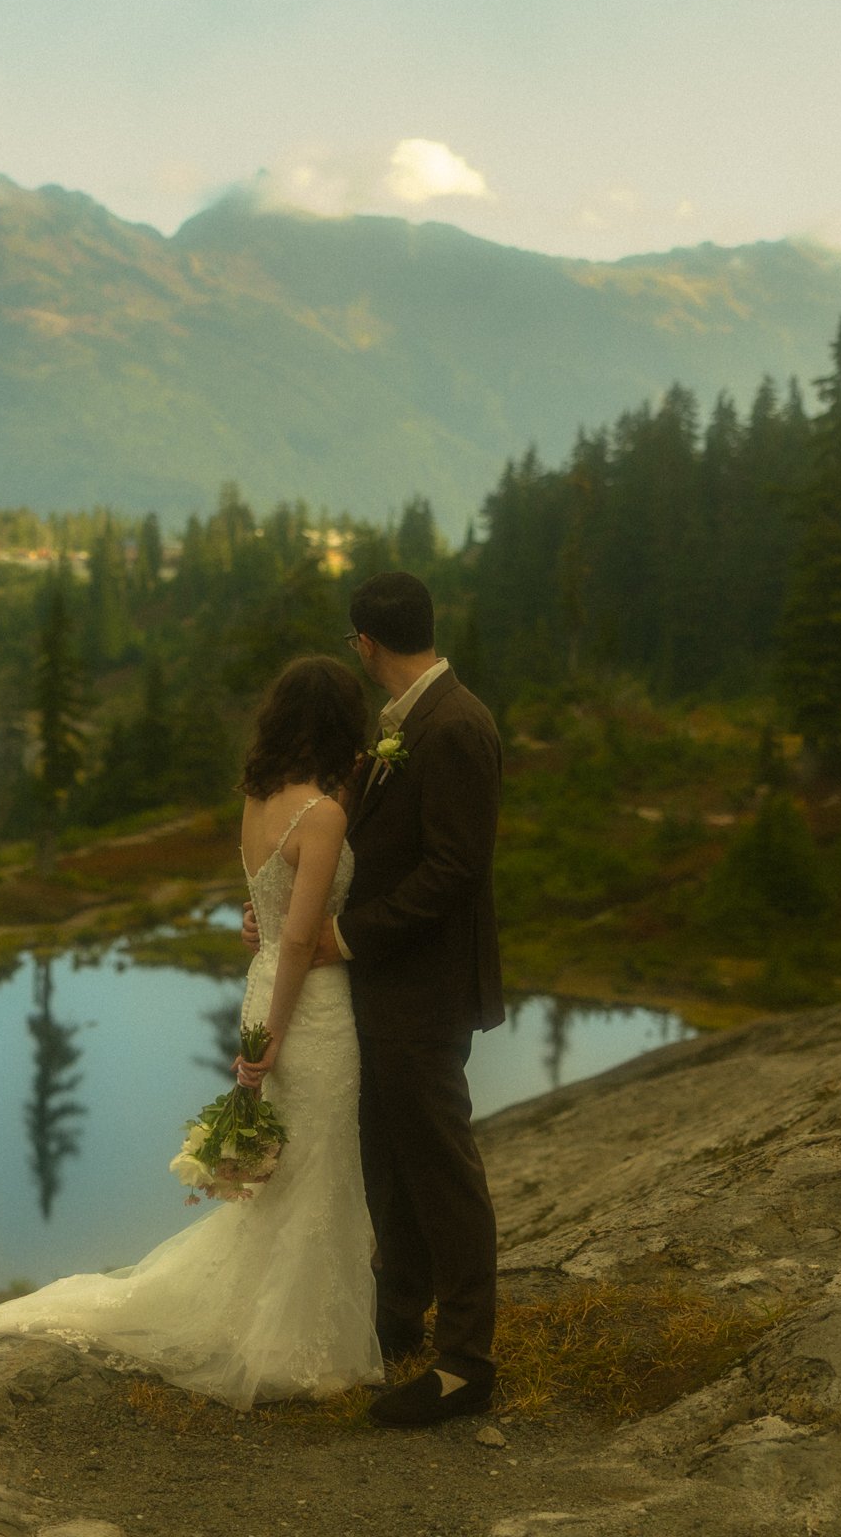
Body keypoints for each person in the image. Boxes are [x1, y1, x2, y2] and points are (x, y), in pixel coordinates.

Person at [0, 655, 381, 1410]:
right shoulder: (321, 815)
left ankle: (286, 1329)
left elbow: (267, 913)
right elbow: (298, 940)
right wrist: (278, 1040)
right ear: (338, 725)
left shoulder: (260, 802)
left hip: (263, 989)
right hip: (309, 1004)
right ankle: (301, 1345)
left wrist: (261, 987)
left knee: (292, 1172)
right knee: (319, 1163)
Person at [247, 569, 504, 1426]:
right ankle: (396, 1324)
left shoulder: (457, 725)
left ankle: (467, 1364)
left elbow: (456, 868)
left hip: (425, 993)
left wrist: (345, 937)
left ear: (366, 643)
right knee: (390, 1168)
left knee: (441, 1168)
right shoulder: (406, 727)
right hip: (383, 995)